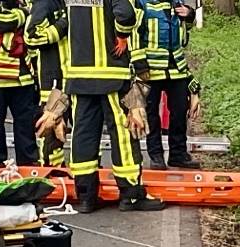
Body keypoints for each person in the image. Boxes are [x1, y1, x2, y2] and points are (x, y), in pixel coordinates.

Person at [55, 0, 163, 213]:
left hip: (78, 76)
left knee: (83, 134)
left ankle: (86, 196)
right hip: (112, 76)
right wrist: (122, 37)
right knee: (123, 135)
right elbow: (125, 14)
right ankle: (130, 196)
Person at [0, 0, 39, 169]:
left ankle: (27, 161)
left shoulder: (19, 3)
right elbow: (5, 22)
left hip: (21, 77)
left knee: (25, 121)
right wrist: (23, 13)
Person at [136, 0, 197, 170]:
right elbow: (135, 33)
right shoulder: (142, 4)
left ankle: (178, 154)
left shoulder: (177, 3)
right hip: (151, 69)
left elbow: (183, 38)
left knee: (179, 110)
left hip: (176, 68)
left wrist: (189, 16)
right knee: (151, 114)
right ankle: (156, 155)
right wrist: (140, 63)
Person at [24, 0, 66, 166]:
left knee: (82, 127)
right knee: (51, 128)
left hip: (75, 75)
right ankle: (51, 170)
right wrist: (63, 24)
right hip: (53, 75)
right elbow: (32, 37)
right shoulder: (45, 4)